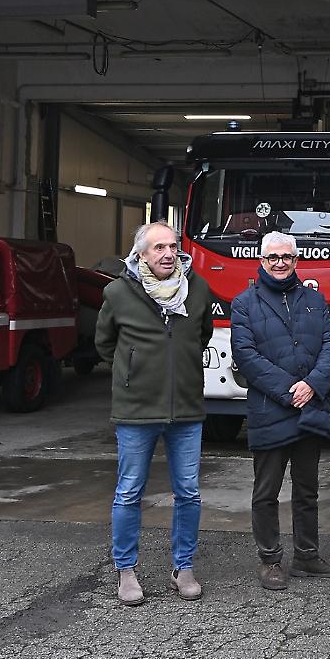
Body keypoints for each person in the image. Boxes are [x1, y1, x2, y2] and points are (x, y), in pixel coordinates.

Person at [95, 221, 215, 606]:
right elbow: (104, 344)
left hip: (186, 408)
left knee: (189, 492)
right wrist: (133, 371)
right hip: (136, 410)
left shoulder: (196, 289)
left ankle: (183, 568)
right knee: (129, 492)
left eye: (172, 246)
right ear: (141, 255)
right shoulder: (117, 293)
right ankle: (126, 570)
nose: (168, 254)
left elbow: (203, 334)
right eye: (158, 247)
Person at [230, 231, 330, 590]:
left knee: (307, 489)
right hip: (270, 410)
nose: (280, 263)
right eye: (272, 258)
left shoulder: (314, 299)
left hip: (310, 408)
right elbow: (245, 356)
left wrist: (312, 385)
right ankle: (270, 560)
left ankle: (307, 556)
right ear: (261, 261)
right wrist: (288, 390)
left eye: (287, 257)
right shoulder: (244, 303)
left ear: (297, 261)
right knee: (266, 491)